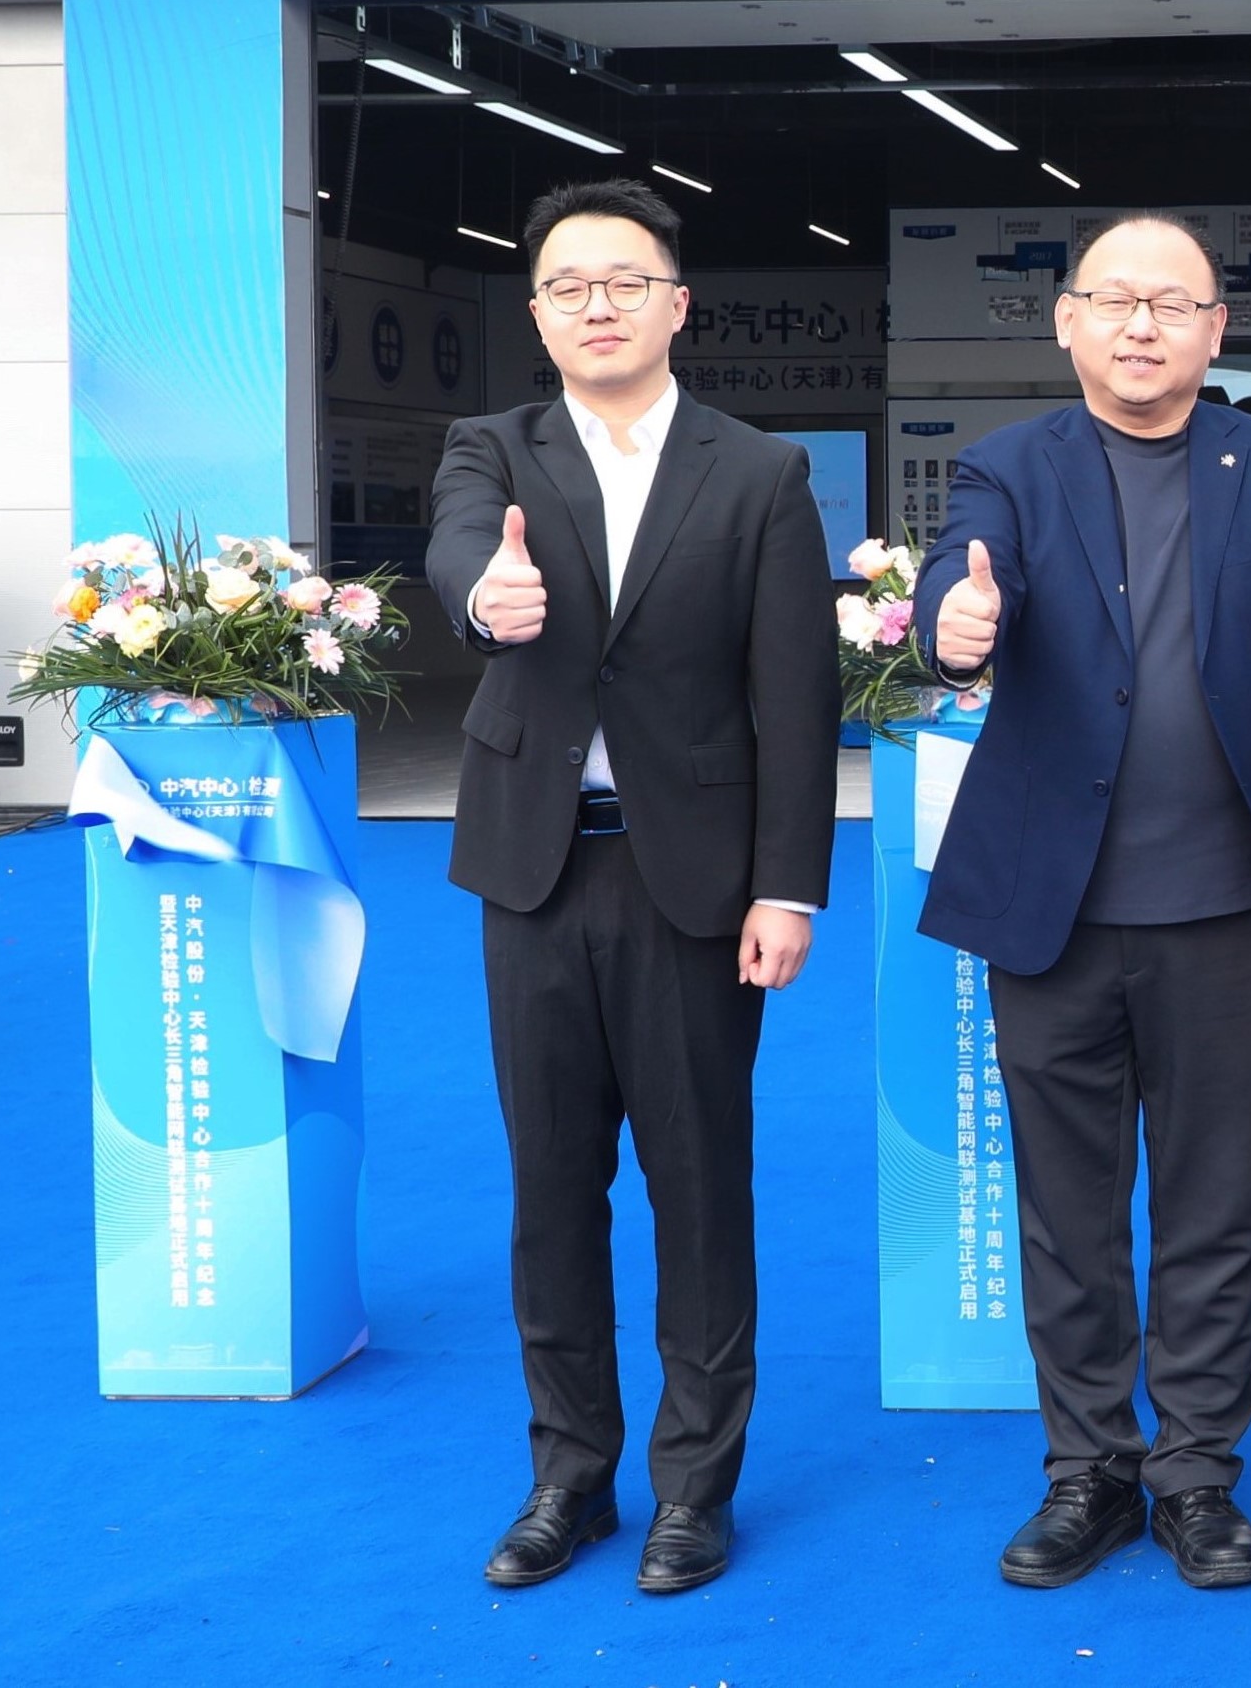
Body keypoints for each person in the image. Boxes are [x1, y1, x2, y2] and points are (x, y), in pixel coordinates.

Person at [907, 214, 1251, 1593]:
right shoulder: (1008, 466)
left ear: (1216, 330)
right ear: (1068, 323)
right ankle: (1089, 1469)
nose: (1142, 325)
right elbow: (956, 575)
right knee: (1069, 1210)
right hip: (1055, 907)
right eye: (1114, 300)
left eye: (1173, 303)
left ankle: (1198, 1473)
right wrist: (954, 627)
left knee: (1219, 1205)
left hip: (1230, 906)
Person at [425, 178, 836, 1595]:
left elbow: (796, 696)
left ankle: (693, 1486)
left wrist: (787, 887)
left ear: (677, 305)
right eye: (567, 286)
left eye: (624, 281)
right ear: (539, 315)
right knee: (551, 1185)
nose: (596, 305)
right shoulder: (491, 448)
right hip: (533, 872)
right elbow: (457, 551)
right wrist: (487, 599)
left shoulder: (760, 472)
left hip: (697, 884)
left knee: (699, 1186)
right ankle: (569, 1474)